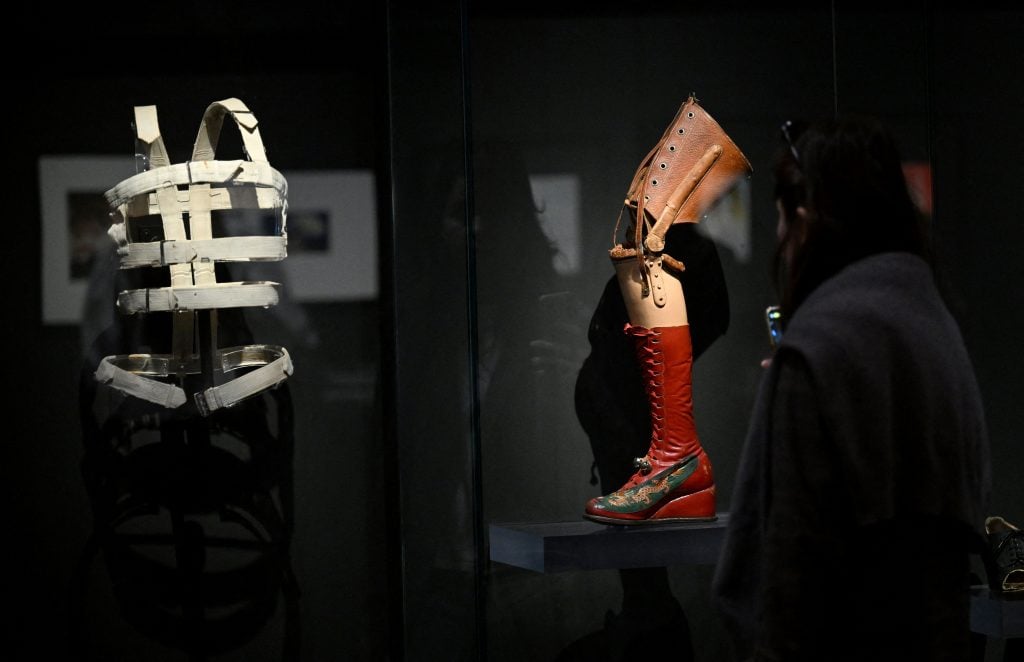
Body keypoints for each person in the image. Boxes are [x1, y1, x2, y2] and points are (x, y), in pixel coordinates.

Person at [711, 115, 991, 661]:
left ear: (807, 217)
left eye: (779, 218)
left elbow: (786, 591)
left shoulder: (818, 347)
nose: (778, 240)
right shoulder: (937, 324)